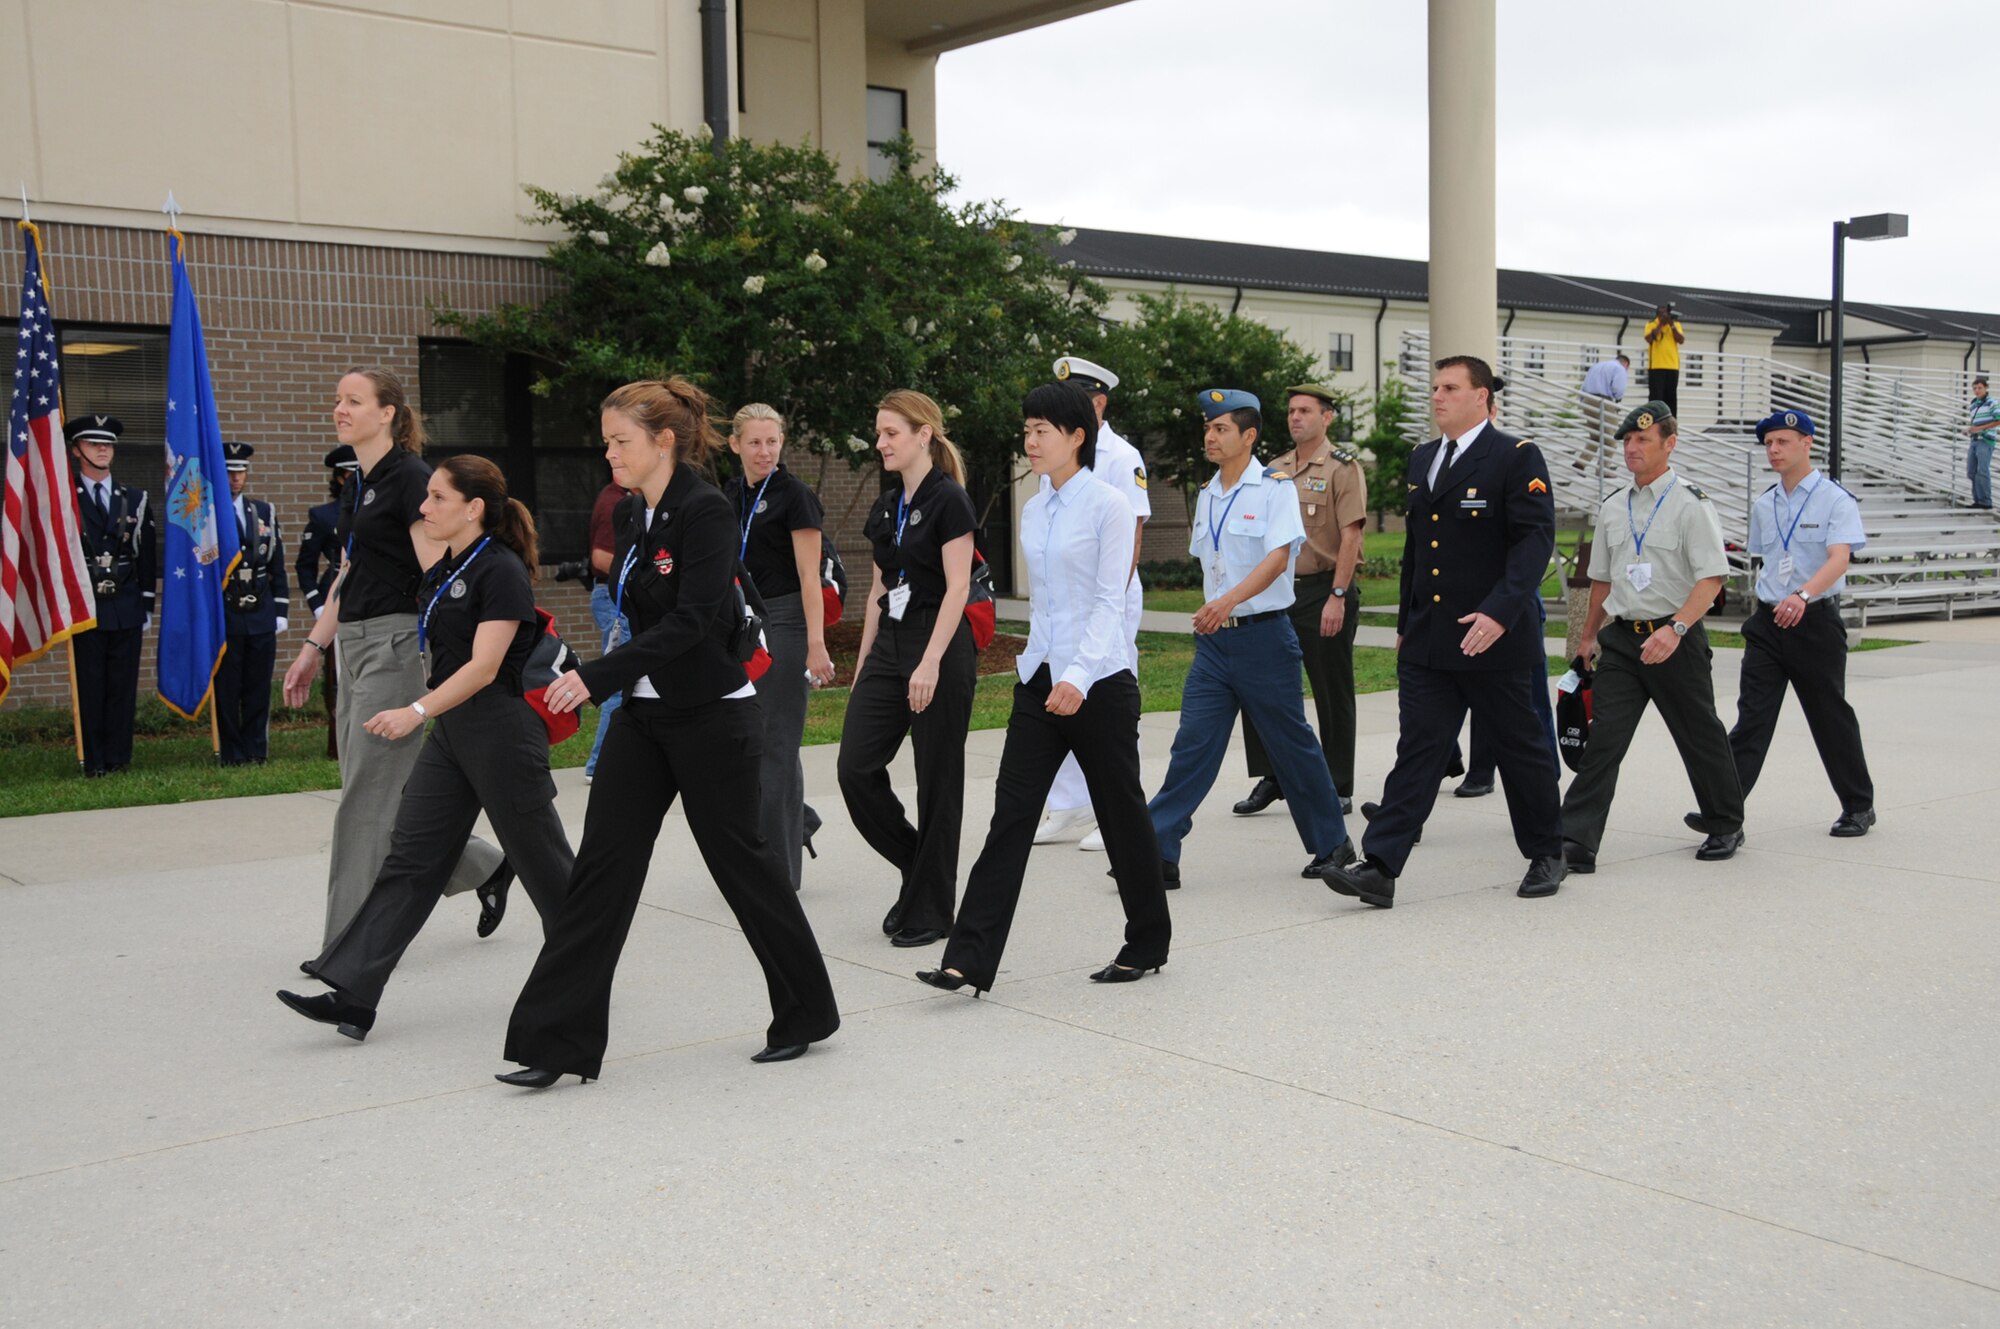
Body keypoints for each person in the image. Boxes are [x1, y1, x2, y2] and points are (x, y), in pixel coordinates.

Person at [498, 378, 840, 1086]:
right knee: (601, 870)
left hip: (714, 716)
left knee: (742, 866)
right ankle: (556, 1043)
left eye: (620, 440)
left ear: (663, 441)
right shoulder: (630, 514)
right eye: (606, 440)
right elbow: (643, 615)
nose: (608, 452)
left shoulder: (706, 511)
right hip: (645, 718)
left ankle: (806, 1009)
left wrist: (596, 676)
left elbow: (691, 623)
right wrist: (609, 674)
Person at [274, 456, 576, 1040]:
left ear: (473, 508)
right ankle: (354, 994)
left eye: (437, 498)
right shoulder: (446, 568)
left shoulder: (502, 571)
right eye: (426, 496)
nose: (424, 507)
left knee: (547, 868)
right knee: (410, 860)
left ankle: (587, 971)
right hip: (454, 735)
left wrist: (415, 710)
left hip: (502, 733)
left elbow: (486, 668)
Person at [916, 383, 1170, 996]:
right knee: (1010, 818)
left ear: (1076, 436)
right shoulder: (1034, 508)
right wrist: (1044, 671)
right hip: (1039, 685)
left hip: (1100, 683)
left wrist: (1078, 679)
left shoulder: (1109, 505)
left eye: (1042, 431)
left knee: (1122, 815)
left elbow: (1112, 600)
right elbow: (1046, 605)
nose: (1030, 441)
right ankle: (967, 961)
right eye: (1026, 430)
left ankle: (1147, 941)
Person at [281, 368, 511, 956]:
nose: (340, 409)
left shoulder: (412, 477)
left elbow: (440, 567)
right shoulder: (365, 480)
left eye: (353, 401)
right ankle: (484, 866)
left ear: (387, 412)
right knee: (387, 792)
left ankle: (349, 946)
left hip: (392, 644)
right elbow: (349, 571)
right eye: (337, 400)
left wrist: (448, 651)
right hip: (353, 645)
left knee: (367, 798)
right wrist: (314, 647)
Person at [1322, 356, 1566, 909]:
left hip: (1493, 636)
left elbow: (1534, 541)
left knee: (1519, 748)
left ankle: (1548, 851)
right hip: (1432, 638)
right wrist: (1409, 623)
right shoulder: (1424, 458)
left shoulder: (1514, 456)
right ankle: (1380, 867)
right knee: (1420, 748)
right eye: (1434, 388)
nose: (1437, 397)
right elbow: (1418, 551)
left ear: (1482, 396)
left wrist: (1501, 612)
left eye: (1451, 388)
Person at [1141, 388, 1352, 889]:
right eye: (1208, 428)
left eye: (1221, 429)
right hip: (1215, 645)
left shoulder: (1273, 487)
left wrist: (1228, 601)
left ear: (1249, 436)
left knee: (1292, 746)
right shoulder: (1210, 491)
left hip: (1263, 638)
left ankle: (1333, 843)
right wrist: (1219, 606)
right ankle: (1157, 849)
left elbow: (1279, 558)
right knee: (1192, 745)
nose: (1210, 437)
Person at [1559, 400, 1746, 873]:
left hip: (1675, 639)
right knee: (1605, 740)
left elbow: (1712, 579)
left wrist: (1677, 628)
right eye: (1626, 440)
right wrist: (1588, 637)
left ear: (1670, 444)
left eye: (1643, 439)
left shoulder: (1690, 503)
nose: (1632, 448)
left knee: (1698, 733)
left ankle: (1725, 821)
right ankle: (1575, 839)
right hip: (1622, 640)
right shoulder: (1614, 506)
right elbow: (1602, 579)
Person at [836, 390, 980, 948]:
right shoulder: (887, 502)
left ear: (923, 435)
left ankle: (931, 909)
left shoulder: (950, 501)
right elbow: (877, 588)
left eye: (891, 433)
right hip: (891, 645)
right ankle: (920, 868)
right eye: (879, 433)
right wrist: (865, 661)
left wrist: (931, 661)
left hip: (937, 643)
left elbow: (958, 586)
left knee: (936, 783)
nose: (881, 443)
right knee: (855, 769)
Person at [1718, 409, 1876, 837]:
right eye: (1768, 443)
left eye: (1783, 441)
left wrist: (1803, 595)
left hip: (1814, 622)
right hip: (1768, 624)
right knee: (1751, 719)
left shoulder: (1834, 499)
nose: (1773, 450)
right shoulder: (1764, 503)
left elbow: (1839, 558)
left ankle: (1858, 805)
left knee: (1829, 717)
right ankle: (1724, 813)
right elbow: (1767, 561)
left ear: (1807, 443)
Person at [1232, 383, 1367, 820]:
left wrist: (1338, 597)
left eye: (1305, 411)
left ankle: (1338, 783)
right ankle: (1273, 775)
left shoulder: (1343, 468)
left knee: (1331, 689)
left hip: (1322, 589)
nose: (1295, 418)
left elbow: (1352, 535)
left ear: (1327, 417)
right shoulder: (1273, 469)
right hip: (1278, 590)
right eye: (1291, 411)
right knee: (1262, 683)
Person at [1034, 355, 1150, 852]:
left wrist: (1113, 605)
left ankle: (1114, 807)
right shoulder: (1052, 457)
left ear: (1098, 404)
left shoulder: (1122, 458)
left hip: (1110, 596)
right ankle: (1067, 804)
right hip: (1064, 600)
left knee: (1109, 703)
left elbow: (1133, 536)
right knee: (1058, 693)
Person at [724, 403, 835, 892]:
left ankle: (780, 875)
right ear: (735, 445)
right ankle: (797, 821)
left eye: (772, 441)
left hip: (788, 622)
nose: (764, 451)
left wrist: (816, 644)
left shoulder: (795, 496)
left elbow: (811, 577)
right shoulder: (729, 496)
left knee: (777, 746)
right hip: (742, 624)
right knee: (742, 744)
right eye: (754, 442)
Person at [66, 414, 155, 777]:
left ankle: (119, 757)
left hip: (125, 603)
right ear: (76, 451)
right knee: (90, 683)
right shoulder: (64, 500)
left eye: (108, 445)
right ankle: (94, 759)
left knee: (121, 684)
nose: (103, 450)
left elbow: (146, 555)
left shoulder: (134, 498)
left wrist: (146, 602)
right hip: (85, 605)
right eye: (93, 444)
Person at [215, 442, 289, 766]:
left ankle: (256, 748)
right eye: (230, 472)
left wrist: (282, 609)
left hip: (260, 606)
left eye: (240, 471)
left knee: (258, 685)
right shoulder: (208, 512)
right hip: (226, 609)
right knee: (229, 686)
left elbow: (277, 564)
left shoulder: (263, 512)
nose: (235, 478)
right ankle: (232, 752)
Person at [297, 445, 358, 759]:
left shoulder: (373, 505)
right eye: (349, 472)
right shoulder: (323, 515)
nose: (354, 477)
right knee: (336, 679)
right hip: (335, 598)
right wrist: (319, 607)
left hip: (367, 596)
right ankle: (337, 744)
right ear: (338, 477)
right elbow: (304, 566)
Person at [580, 478, 629, 781]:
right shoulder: (615, 501)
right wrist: (644, 572)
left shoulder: (625, 498)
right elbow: (600, 556)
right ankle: (599, 764)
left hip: (613, 596)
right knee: (620, 679)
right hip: (613, 597)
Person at [1576, 352, 1631, 474]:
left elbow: (1584, 384)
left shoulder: (1596, 366)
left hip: (1587, 400)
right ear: (1626, 363)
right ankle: (1603, 469)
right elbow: (1618, 388)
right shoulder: (1620, 368)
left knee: (1595, 436)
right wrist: (1617, 400)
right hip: (1603, 402)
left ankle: (1581, 462)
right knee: (1611, 439)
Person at [1643, 305, 1686, 417]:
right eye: (1662, 314)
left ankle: (1671, 423)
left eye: (1666, 313)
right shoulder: (1651, 324)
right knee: (1656, 398)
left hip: (1672, 366)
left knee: (1671, 398)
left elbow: (1681, 340)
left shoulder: (1676, 324)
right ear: (1658, 315)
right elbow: (1648, 338)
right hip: (1656, 366)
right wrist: (1661, 324)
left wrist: (1671, 325)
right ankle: (1654, 421)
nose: (1665, 316)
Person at [1967, 375, 1998, 509]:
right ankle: (1977, 500)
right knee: (1971, 471)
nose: (1977, 391)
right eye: (1975, 388)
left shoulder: (1992, 402)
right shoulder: (1974, 404)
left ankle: (1985, 501)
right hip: (1974, 440)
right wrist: (1970, 429)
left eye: (1980, 388)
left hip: (1985, 441)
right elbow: (1976, 422)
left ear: (1986, 388)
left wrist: (1979, 428)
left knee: (1982, 471)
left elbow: (1998, 419)